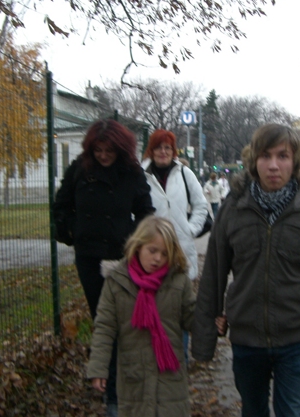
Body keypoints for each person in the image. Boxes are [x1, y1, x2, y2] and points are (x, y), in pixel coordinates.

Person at [192, 124, 300, 417]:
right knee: (253, 411)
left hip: (297, 339)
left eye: (283, 156)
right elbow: (213, 275)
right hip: (247, 340)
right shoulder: (233, 209)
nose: (274, 165)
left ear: (295, 162)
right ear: (254, 161)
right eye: (265, 156)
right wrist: (204, 342)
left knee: (294, 412)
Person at [53, 119, 154, 416]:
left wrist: (132, 238)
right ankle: (113, 395)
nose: (103, 155)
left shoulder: (132, 173)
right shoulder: (80, 170)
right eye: (98, 149)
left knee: (127, 323)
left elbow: (146, 211)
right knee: (104, 321)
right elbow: (61, 206)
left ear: (120, 149)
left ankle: (129, 385)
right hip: (89, 258)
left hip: (124, 259)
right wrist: (73, 231)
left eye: (109, 150)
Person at [87, 216, 196, 417]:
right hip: (133, 378)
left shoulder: (178, 281)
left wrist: (213, 320)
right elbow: (104, 327)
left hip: (170, 379)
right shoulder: (117, 283)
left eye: (164, 254)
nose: (157, 259)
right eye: (152, 251)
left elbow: (192, 318)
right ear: (138, 246)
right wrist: (99, 368)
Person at [141, 129, 209, 281]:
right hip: (151, 248)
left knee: (181, 295)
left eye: (168, 147)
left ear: (173, 151)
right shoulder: (141, 176)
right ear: (151, 151)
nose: (163, 152)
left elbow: (201, 206)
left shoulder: (185, 174)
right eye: (158, 147)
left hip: (181, 247)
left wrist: (190, 229)